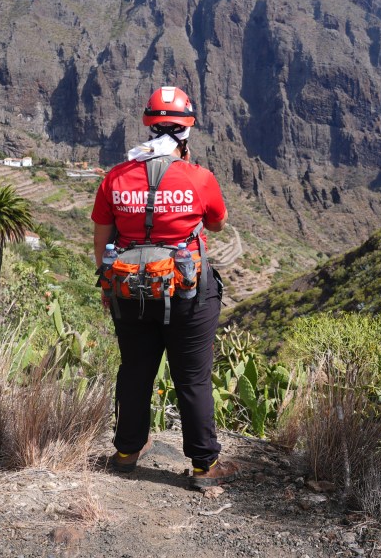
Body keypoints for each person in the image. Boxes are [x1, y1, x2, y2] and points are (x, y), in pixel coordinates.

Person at [91, 86, 240, 489]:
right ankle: (203, 467)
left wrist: (109, 288)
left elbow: (102, 239)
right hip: (188, 290)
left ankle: (126, 451)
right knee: (192, 377)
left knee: (136, 370)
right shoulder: (200, 178)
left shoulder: (115, 178)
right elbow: (217, 224)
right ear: (186, 133)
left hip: (129, 290)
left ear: (147, 126)